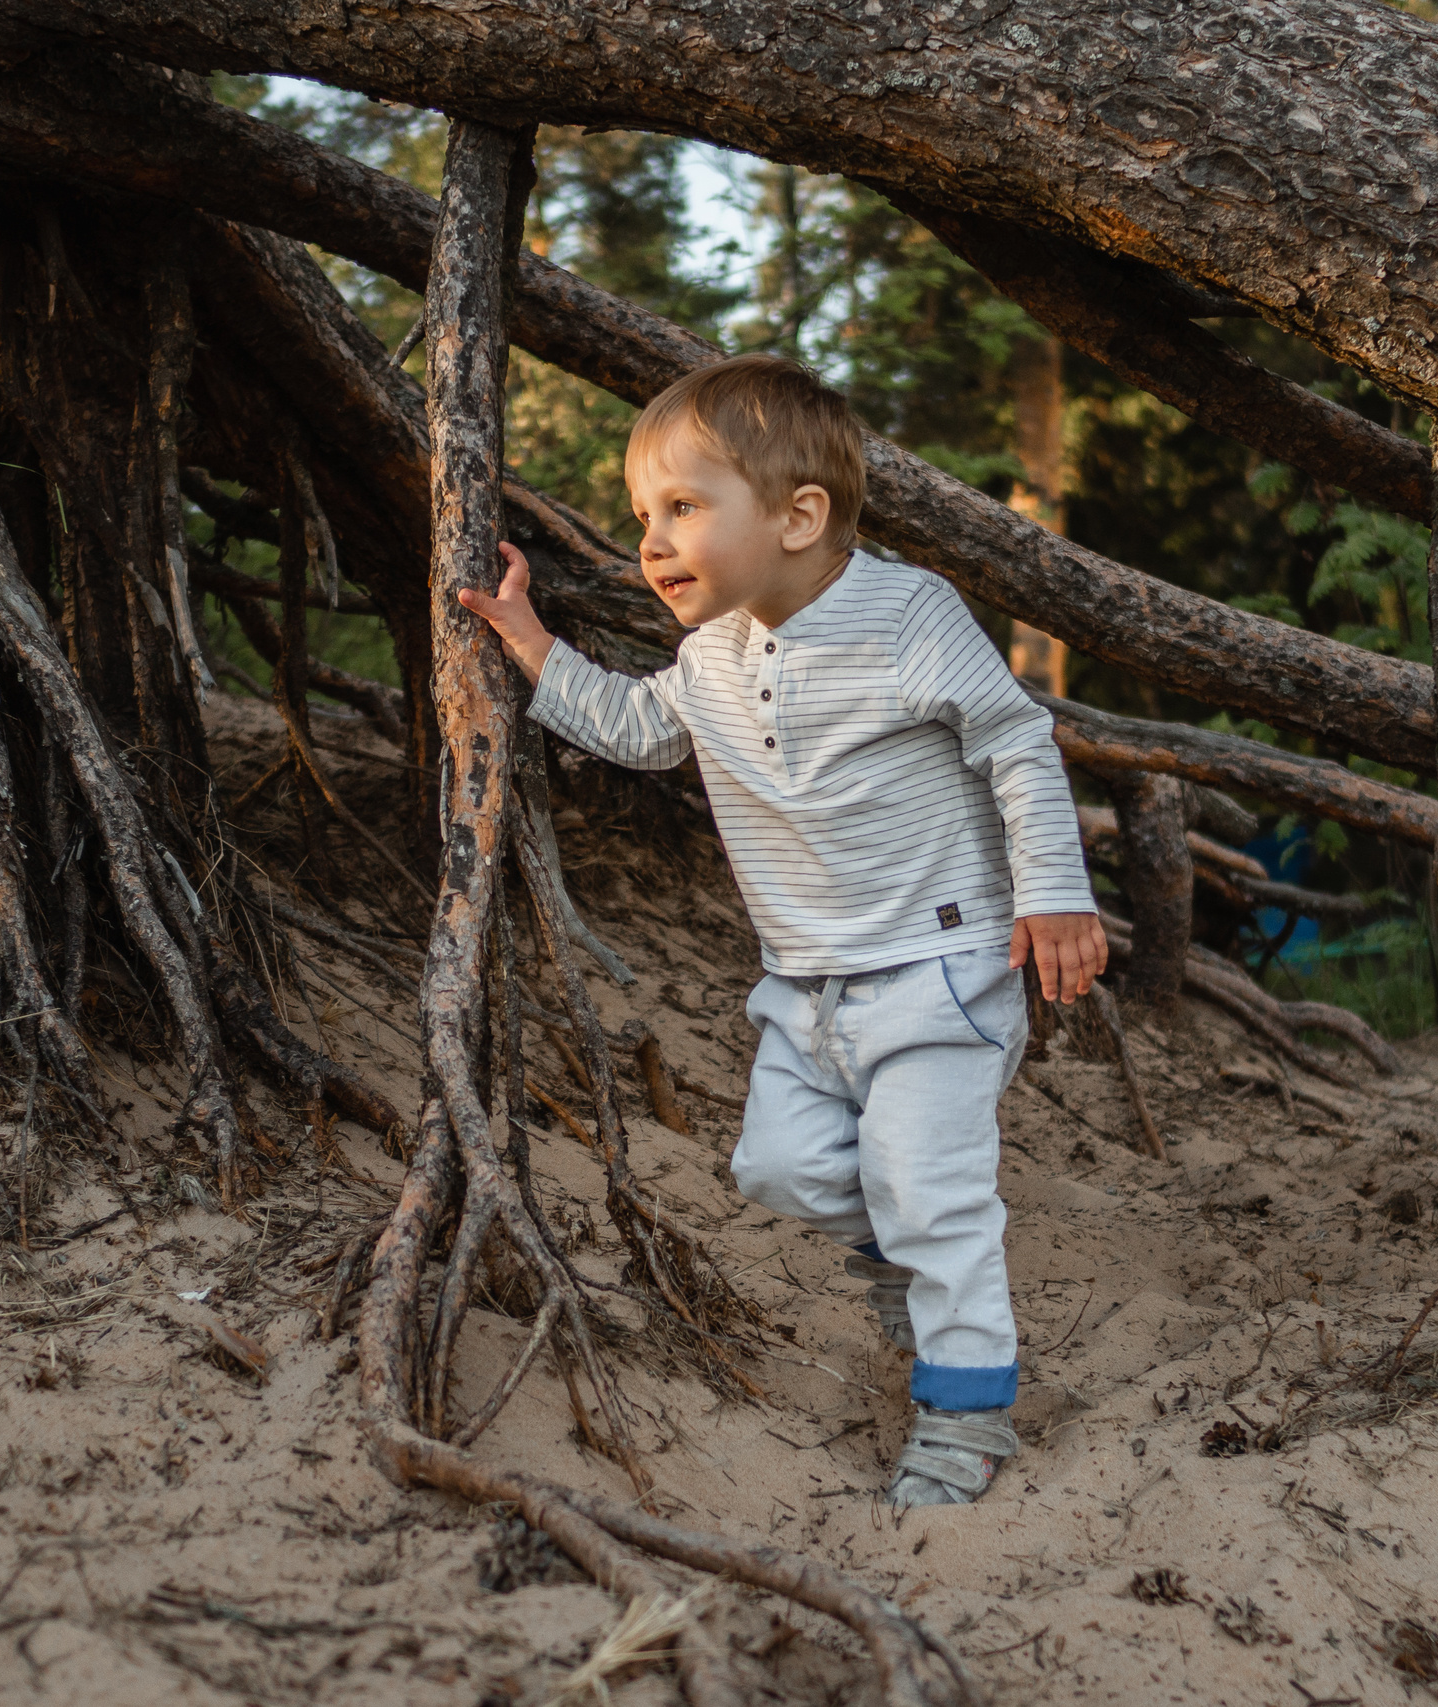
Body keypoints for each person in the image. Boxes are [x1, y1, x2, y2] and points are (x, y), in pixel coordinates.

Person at [458, 353, 1106, 1507]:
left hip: (941, 968)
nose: (650, 543)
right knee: (781, 1167)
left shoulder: (909, 615)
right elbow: (642, 727)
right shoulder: (710, 656)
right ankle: (921, 1285)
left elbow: (1015, 740)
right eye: (644, 514)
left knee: (926, 1188)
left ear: (800, 516)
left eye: (684, 509)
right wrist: (528, 645)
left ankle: (967, 1421)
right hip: (804, 990)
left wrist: (1053, 891)